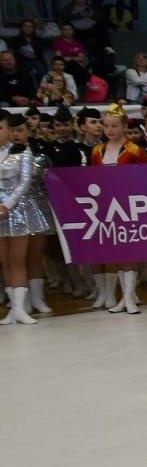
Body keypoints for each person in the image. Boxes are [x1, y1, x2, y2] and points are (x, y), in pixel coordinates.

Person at [91, 104, 147, 314]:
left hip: (130, 207)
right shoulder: (97, 151)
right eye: (106, 126)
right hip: (107, 207)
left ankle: (129, 297)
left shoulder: (135, 150)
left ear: (124, 127)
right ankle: (123, 297)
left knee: (130, 251)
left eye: (114, 126)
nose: (109, 130)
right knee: (115, 251)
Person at [0, 114, 51, 325]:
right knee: (5, 262)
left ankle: (21, 308)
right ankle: (13, 308)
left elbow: (24, 183)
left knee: (18, 260)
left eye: (1, 127)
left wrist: (7, 205)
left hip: (19, 211)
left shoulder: (24, 153)